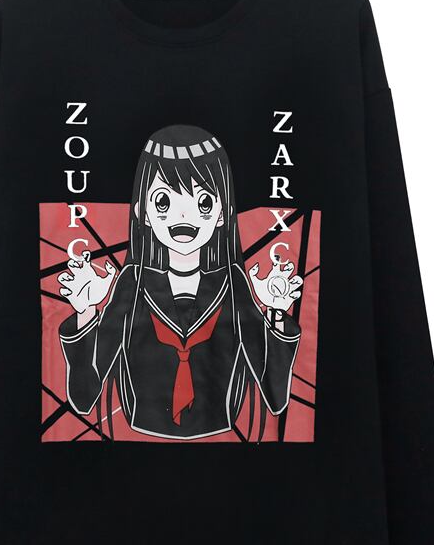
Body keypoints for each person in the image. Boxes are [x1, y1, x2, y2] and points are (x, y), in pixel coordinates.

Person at [57, 124, 303, 441]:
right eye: (163, 201)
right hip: (139, 435)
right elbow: (83, 397)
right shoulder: (132, 281)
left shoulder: (233, 283)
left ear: (222, 214)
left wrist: (277, 312)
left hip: (221, 436)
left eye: (203, 202)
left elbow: (276, 397)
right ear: (143, 212)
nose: (183, 216)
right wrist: (85, 311)